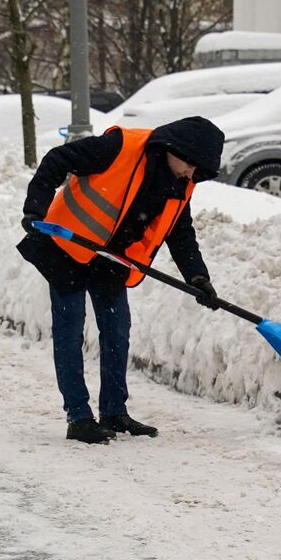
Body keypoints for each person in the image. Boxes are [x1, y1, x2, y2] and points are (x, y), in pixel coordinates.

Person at [17, 117, 224, 445]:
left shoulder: (179, 182)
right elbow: (57, 159)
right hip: (66, 247)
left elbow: (180, 232)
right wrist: (35, 209)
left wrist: (199, 278)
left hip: (111, 259)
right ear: (175, 148)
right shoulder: (119, 148)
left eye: (198, 172)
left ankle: (114, 411)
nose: (190, 174)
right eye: (190, 166)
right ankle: (79, 417)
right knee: (70, 331)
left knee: (116, 332)